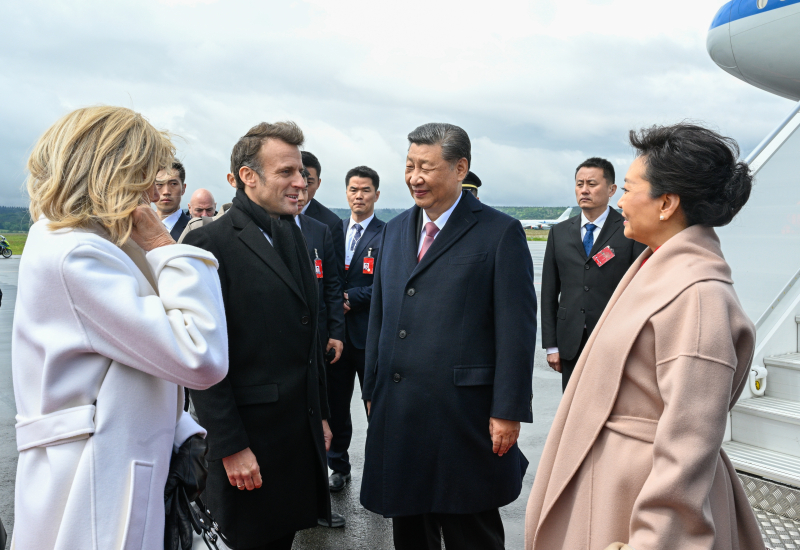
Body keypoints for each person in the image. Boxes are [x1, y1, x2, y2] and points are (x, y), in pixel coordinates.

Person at [525, 123, 764, 550]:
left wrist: (652, 542)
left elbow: (689, 447)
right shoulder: (659, 269)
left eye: (630, 188)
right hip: (617, 485)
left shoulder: (697, 299)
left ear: (667, 203)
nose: (620, 199)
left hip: (634, 504)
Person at [11, 106, 229, 549]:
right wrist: (164, 246)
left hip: (108, 465)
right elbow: (200, 354)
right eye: (144, 175)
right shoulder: (76, 254)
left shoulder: (79, 241)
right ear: (113, 171)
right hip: (92, 483)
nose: (152, 190)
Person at [361, 123, 537, 550]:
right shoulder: (393, 230)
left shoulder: (499, 233)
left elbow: (517, 328)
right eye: (409, 166)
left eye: (426, 167)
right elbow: (380, 316)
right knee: (411, 527)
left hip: (464, 413)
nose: (414, 177)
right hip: (400, 411)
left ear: (460, 168)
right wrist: (372, 385)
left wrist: (508, 409)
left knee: (469, 528)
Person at [183, 121, 333, 550]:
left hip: (292, 439)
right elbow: (203, 359)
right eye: (287, 171)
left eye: (301, 172)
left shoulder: (290, 233)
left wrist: (319, 415)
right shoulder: (211, 244)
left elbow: (309, 337)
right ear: (249, 176)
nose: (300, 182)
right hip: (247, 445)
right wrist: (230, 447)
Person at [541, 158, 647, 391]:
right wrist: (551, 346)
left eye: (592, 184)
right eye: (579, 184)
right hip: (570, 340)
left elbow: (639, 288)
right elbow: (549, 291)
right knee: (571, 409)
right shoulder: (559, 233)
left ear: (611, 190)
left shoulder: (629, 230)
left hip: (614, 338)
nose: (584, 190)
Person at [327, 165, 385, 492]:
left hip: (368, 336)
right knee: (336, 405)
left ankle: (379, 467)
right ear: (346, 193)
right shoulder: (332, 231)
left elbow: (389, 283)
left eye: (365, 190)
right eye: (353, 190)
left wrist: (354, 297)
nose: (358, 196)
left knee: (374, 404)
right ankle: (339, 466)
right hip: (336, 335)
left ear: (376, 194)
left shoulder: (387, 234)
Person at [301, 151, 346, 279]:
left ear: (318, 183)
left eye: (309, 183)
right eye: (298, 179)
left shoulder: (330, 223)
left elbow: (335, 277)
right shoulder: (272, 212)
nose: (301, 187)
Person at [155, 160, 192, 239]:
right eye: (159, 184)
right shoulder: (135, 228)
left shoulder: (194, 231)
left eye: (173, 184)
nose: (166, 192)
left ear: (183, 189)